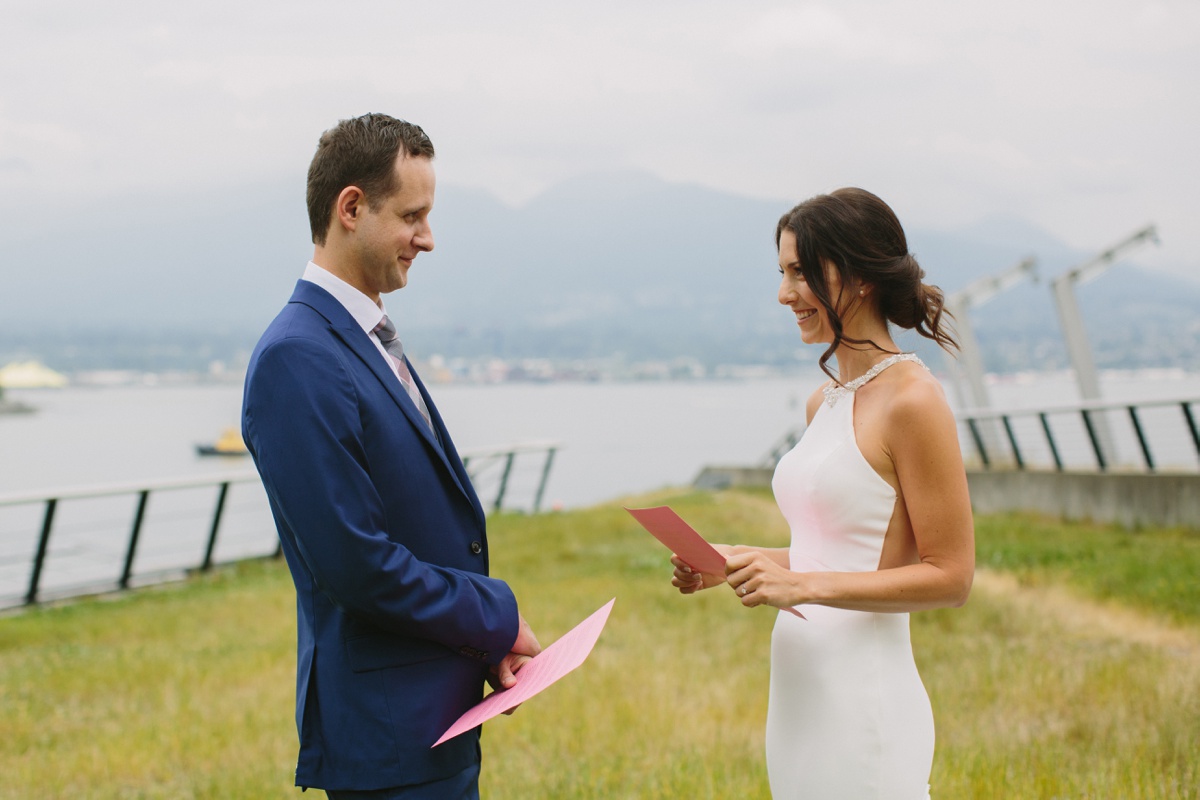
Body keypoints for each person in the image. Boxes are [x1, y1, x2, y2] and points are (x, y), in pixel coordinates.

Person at [242, 113, 541, 799]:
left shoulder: (362, 335)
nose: (427, 239)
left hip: (433, 720)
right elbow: (357, 565)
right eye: (412, 216)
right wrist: (494, 615)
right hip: (385, 740)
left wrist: (483, 647)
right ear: (352, 208)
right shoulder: (299, 357)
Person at [671, 188, 975, 799]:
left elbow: (950, 575)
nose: (785, 294)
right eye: (782, 273)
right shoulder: (824, 400)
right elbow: (837, 549)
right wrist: (737, 560)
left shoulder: (914, 401)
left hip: (865, 694)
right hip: (801, 694)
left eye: (800, 273)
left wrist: (802, 586)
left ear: (858, 276)